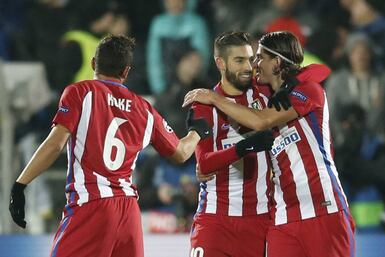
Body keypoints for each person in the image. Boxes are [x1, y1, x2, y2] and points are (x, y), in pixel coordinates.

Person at [8, 34, 212, 257]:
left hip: (91, 204)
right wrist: (197, 131)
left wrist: (20, 184)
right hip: (128, 212)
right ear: (126, 72)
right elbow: (181, 153)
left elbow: (55, 144)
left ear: (94, 63)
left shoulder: (80, 93)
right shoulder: (144, 109)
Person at [183, 31, 356, 257]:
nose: (254, 64)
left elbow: (263, 118)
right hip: (283, 216)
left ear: (276, 61)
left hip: (323, 205)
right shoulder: (266, 96)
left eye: (259, 57)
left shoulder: (307, 90)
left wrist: (214, 98)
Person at [189, 31, 274, 257]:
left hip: (261, 219)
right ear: (220, 63)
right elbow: (205, 165)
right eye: (239, 60)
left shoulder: (267, 93)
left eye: (250, 59)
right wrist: (246, 147)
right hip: (215, 220)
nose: (248, 67)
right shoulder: (204, 105)